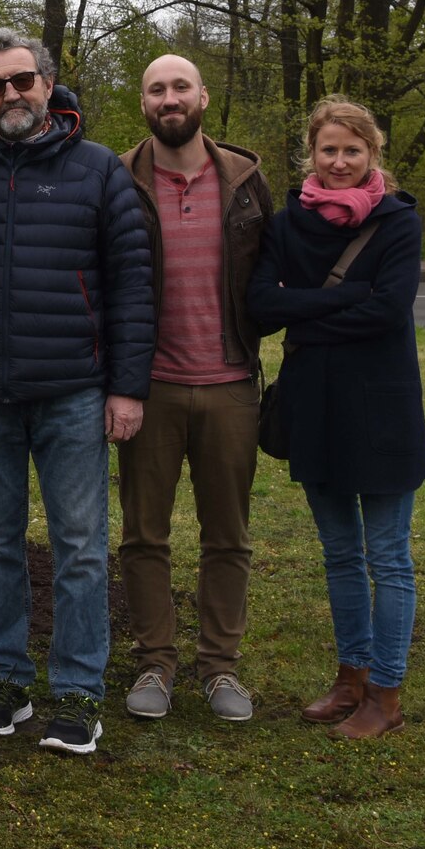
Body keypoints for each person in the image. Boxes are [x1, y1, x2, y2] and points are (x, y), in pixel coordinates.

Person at [0, 28, 152, 756]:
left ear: (48, 83)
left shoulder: (98, 171)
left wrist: (127, 387)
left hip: (71, 388)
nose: (12, 95)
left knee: (81, 547)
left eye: (22, 81)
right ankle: (7, 680)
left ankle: (76, 690)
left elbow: (132, 284)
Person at [249, 97, 425, 741]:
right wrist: (349, 297)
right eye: (329, 150)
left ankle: (385, 692)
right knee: (339, 555)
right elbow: (259, 307)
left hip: (382, 410)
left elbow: (389, 311)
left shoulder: (397, 223)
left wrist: (307, 312)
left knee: (388, 556)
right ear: (312, 154)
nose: (341, 161)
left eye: (353, 150)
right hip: (316, 406)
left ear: (372, 154)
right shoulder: (286, 224)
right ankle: (349, 678)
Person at [119, 55, 274, 724]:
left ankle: (220, 667)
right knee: (143, 534)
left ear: (203, 96)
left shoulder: (246, 181)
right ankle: (155, 659)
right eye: (158, 88)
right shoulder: (121, 180)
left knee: (228, 535)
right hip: (147, 387)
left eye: (181, 86)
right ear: (144, 102)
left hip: (231, 383)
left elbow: (275, 271)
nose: (170, 97)